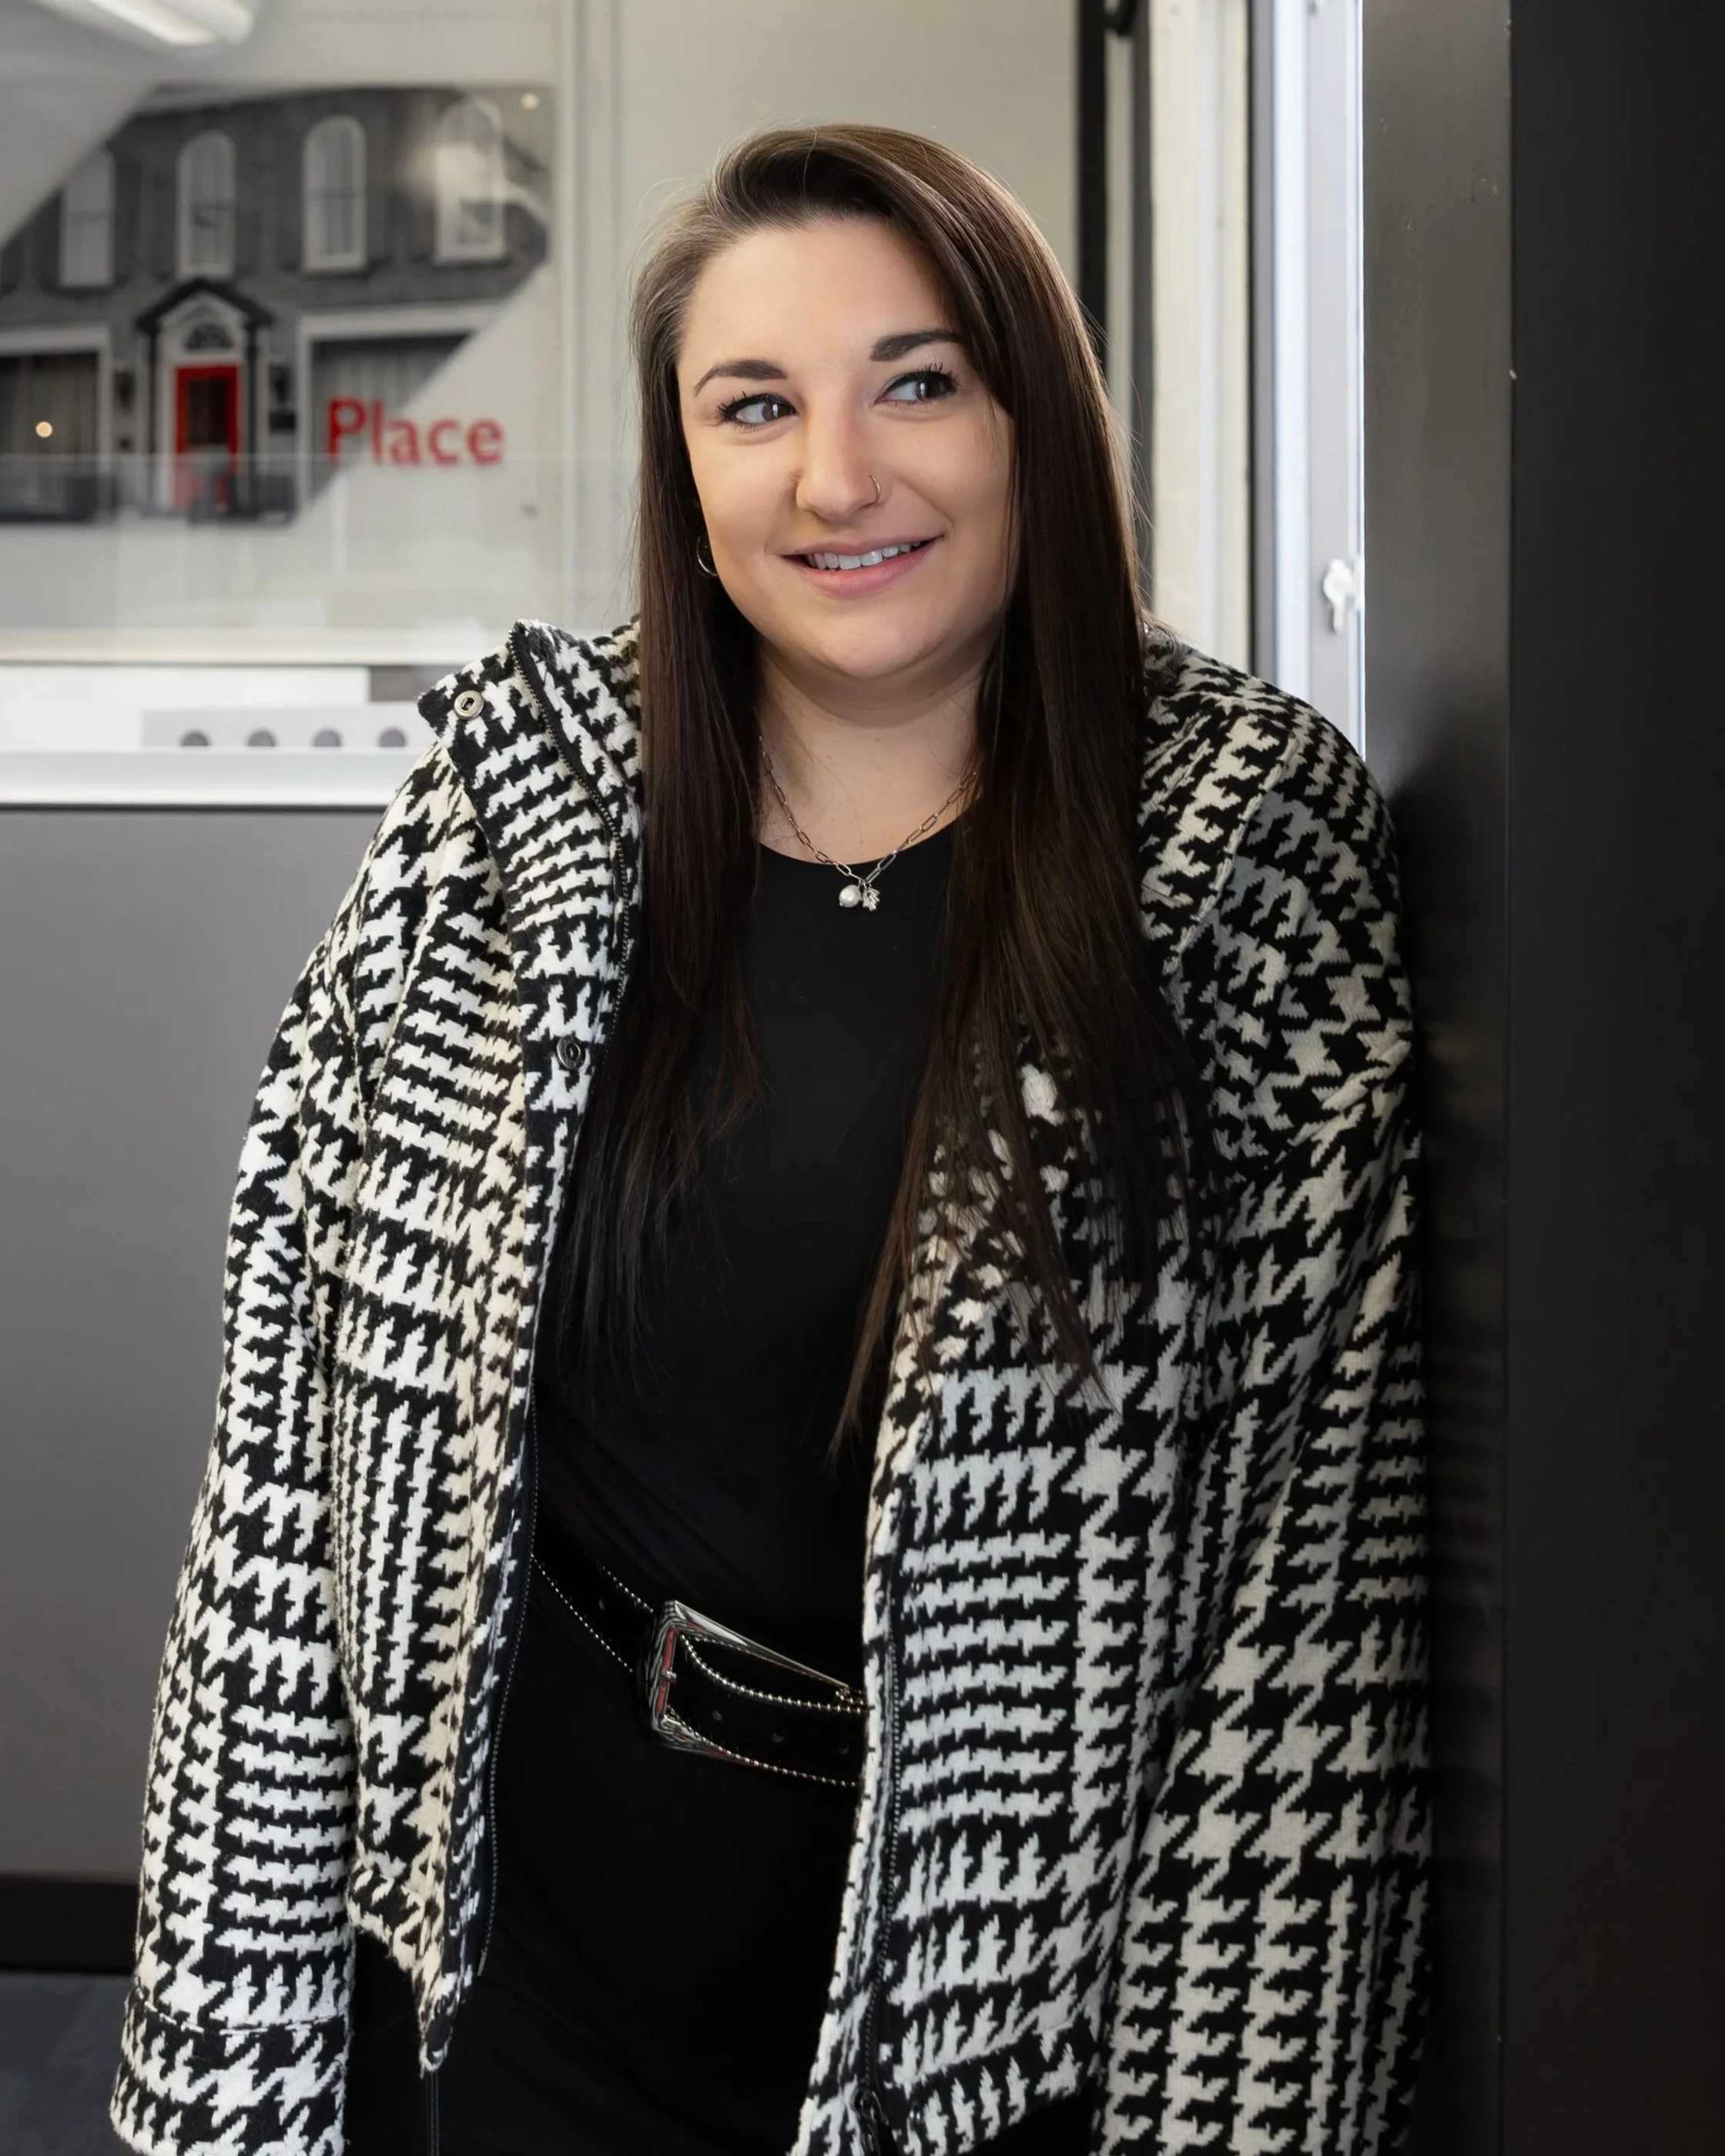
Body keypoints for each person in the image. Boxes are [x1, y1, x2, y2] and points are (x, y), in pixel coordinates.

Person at [110, 124, 1429, 2156]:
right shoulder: (518, 810)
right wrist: (232, 2038)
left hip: (995, 2031)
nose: (836, 477)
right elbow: (285, 1453)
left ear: (1036, 421)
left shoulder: (1241, 858)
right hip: (513, 1970)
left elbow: (1310, 1630)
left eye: (918, 382)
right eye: (756, 407)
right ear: (687, 471)